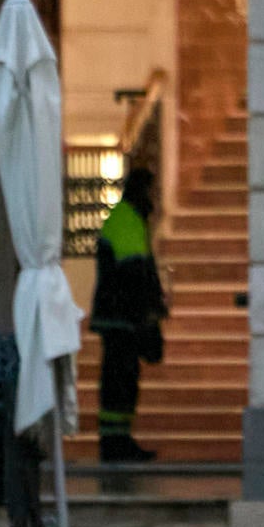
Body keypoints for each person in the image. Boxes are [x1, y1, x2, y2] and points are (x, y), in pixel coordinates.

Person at [92, 167, 166, 464]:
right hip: (122, 318)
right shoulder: (126, 220)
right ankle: (115, 444)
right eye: (153, 191)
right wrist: (150, 313)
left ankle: (118, 440)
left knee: (122, 380)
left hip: (120, 318)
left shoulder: (128, 218)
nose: (156, 198)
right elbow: (135, 273)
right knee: (119, 382)